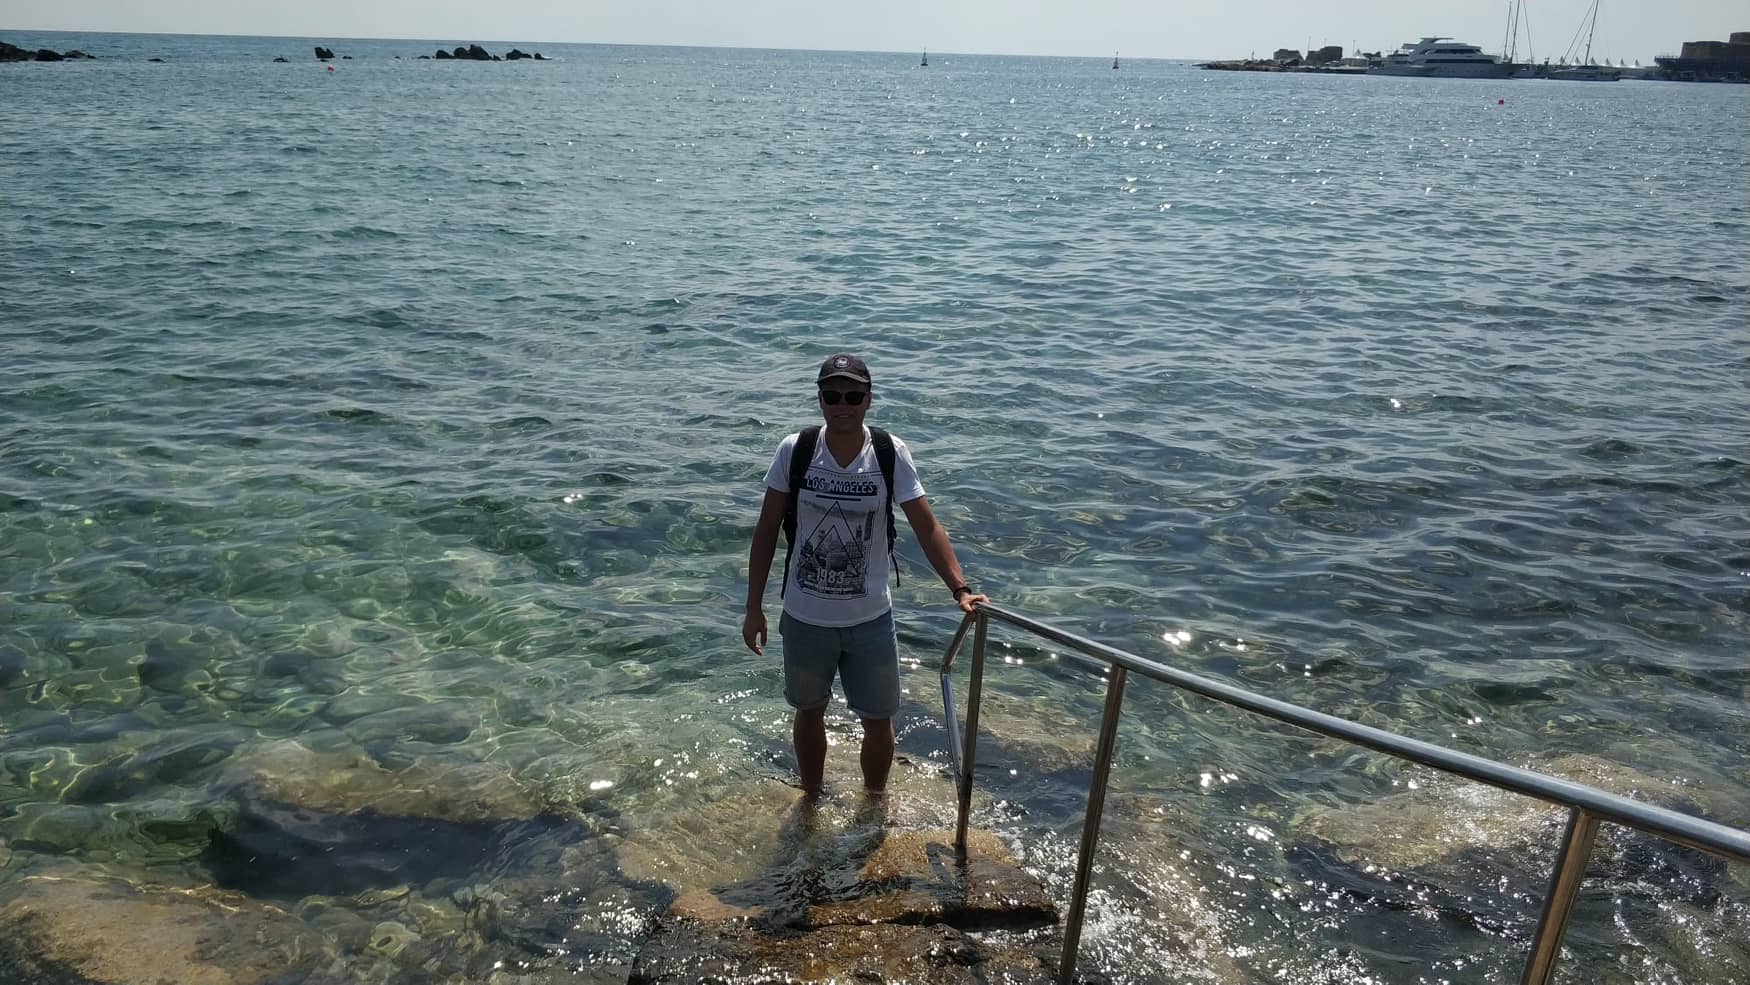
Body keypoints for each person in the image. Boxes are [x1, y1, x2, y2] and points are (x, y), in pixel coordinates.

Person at [742, 354, 987, 799]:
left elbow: (927, 527)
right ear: (820, 399)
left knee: (878, 720)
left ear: (869, 399)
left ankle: (874, 803)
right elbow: (766, 530)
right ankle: (811, 798)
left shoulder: (889, 452)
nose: (843, 405)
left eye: (853, 396)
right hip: (805, 617)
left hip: (871, 620)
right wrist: (753, 607)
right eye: (832, 395)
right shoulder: (795, 450)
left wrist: (960, 588)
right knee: (809, 712)